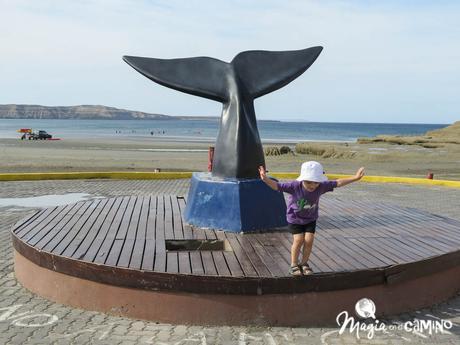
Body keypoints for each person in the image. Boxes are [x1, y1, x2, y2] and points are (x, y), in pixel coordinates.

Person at [259, 161, 365, 276]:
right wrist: (265, 178)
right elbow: (277, 186)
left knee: (309, 240)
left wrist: (355, 178)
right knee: (299, 240)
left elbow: (338, 182)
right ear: (302, 179)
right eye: (308, 182)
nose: (312, 185)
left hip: (310, 218)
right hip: (295, 218)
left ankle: (304, 264)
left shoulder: (321, 186)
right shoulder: (294, 186)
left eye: (315, 182)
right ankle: (294, 265)